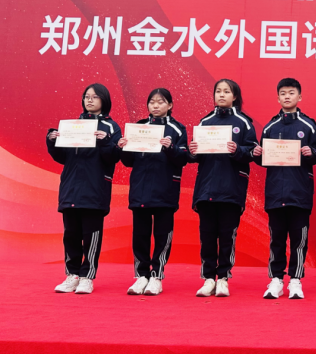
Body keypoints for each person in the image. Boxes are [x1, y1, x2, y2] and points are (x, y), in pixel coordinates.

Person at [47, 83, 121, 294]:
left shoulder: (111, 127)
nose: (89, 100)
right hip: (71, 187)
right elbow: (63, 157)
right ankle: (71, 275)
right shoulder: (73, 125)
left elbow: (114, 157)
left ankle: (87, 277)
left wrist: (105, 141)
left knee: (91, 235)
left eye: (95, 97)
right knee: (70, 234)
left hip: (95, 188)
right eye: (87, 96)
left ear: (104, 100)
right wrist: (52, 142)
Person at [252, 78, 316, 300]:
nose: (287, 96)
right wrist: (258, 155)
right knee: (277, 239)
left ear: (299, 97)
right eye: (283, 93)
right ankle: (276, 279)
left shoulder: (308, 125)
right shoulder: (270, 127)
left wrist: (312, 152)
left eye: (291, 93)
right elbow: (263, 159)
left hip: (300, 192)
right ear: (278, 98)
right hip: (276, 191)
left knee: (299, 240)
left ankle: (295, 280)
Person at [189, 79, 259, 297]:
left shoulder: (244, 122)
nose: (221, 95)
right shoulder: (205, 121)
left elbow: (253, 152)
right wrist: (193, 151)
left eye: (226, 91)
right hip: (206, 189)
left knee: (227, 236)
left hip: (231, 188)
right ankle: (208, 278)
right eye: (218, 91)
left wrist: (237, 150)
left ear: (234, 96)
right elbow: (195, 155)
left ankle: (223, 279)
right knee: (207, 236)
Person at [117, 88, 188, 296]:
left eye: (161, 102)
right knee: (140, 235)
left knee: (162, 235)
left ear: (170, 105)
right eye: (152, 102)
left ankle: (156, 276)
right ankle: (141, 275)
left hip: (165, 190)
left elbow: (184, 159)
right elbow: (128, 162)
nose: (155, 106)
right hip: (140, 189)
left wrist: (171, 148)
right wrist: (123, 148)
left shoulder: (177, 129)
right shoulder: (139, 128)